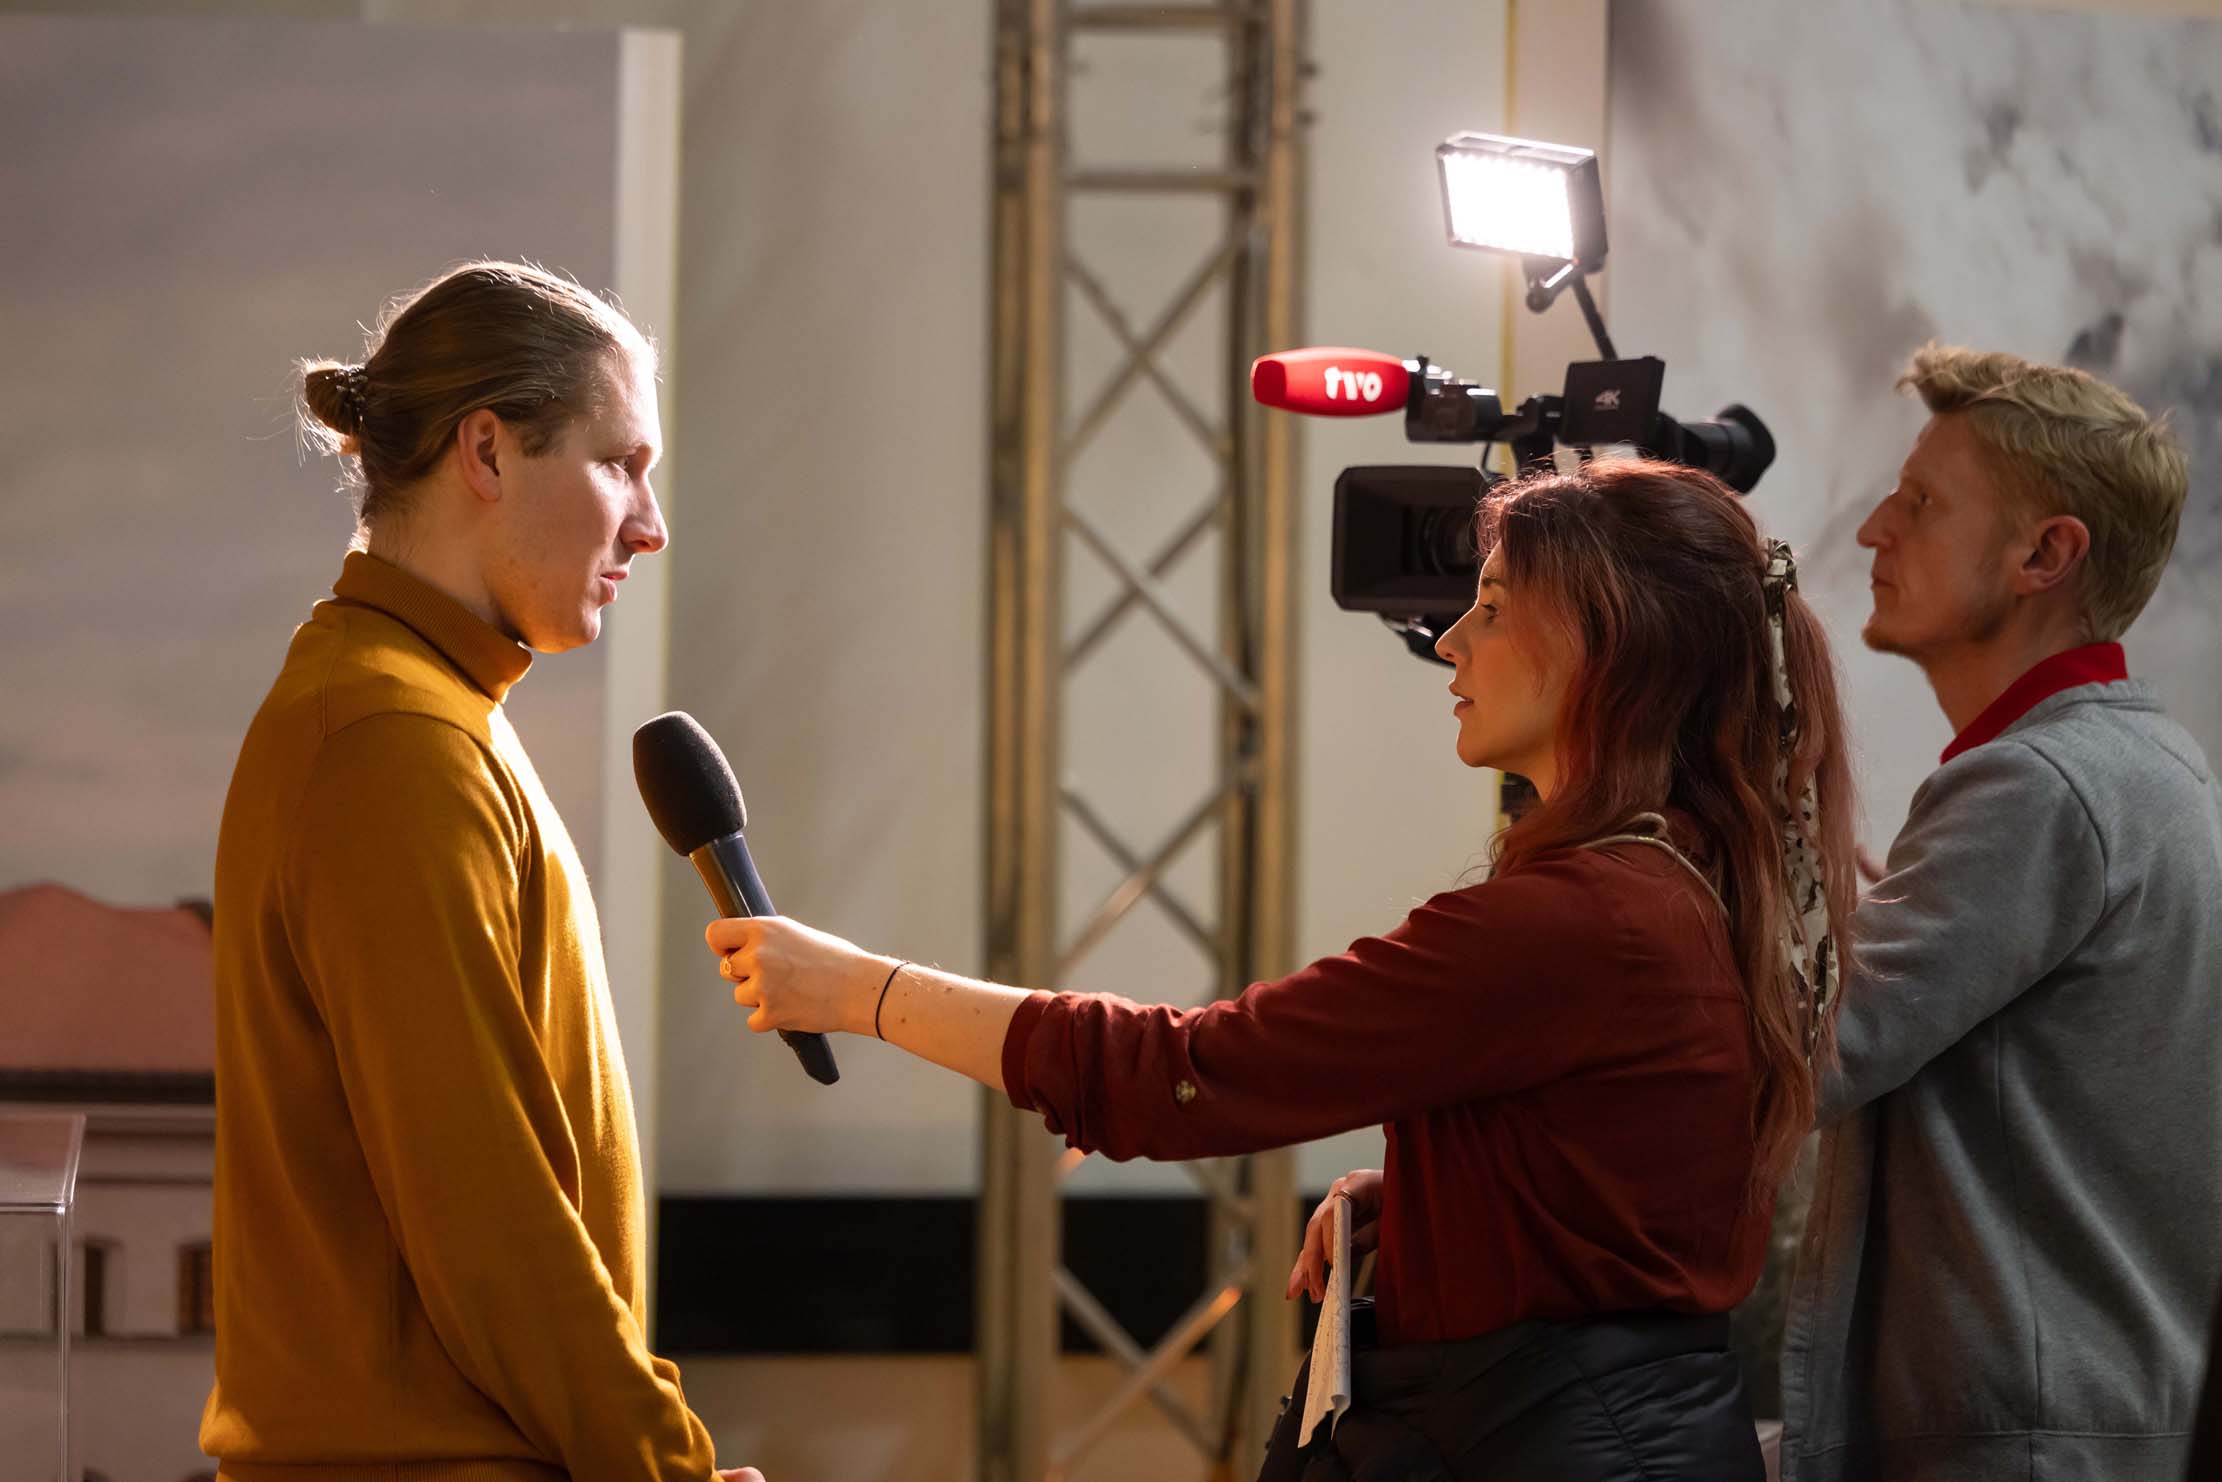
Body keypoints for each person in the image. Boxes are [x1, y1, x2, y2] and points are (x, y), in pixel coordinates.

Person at [703, 461, 1860, 1480]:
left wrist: (857, 991)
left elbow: (1175, 1077)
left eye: (1493, 610)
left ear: (1605, 649)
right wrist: (1426, 1204)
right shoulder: (1690, 887)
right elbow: (1613, 1189)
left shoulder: (1578, 923)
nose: (1450, 641)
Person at [203, 262, 758, 1481]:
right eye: (621, 464)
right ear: (489, 452)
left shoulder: (414, 708)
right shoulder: (390, 736)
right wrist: (663, 1469)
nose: (651, 525)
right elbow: (484, 1213)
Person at [1778, 346, 2221, 1482]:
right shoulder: (2136, 762)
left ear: (2043, 553)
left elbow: (1799, 1054)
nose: (1874, 529)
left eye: (1920, 502)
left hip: (2015, 1449)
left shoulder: (2039, 787)